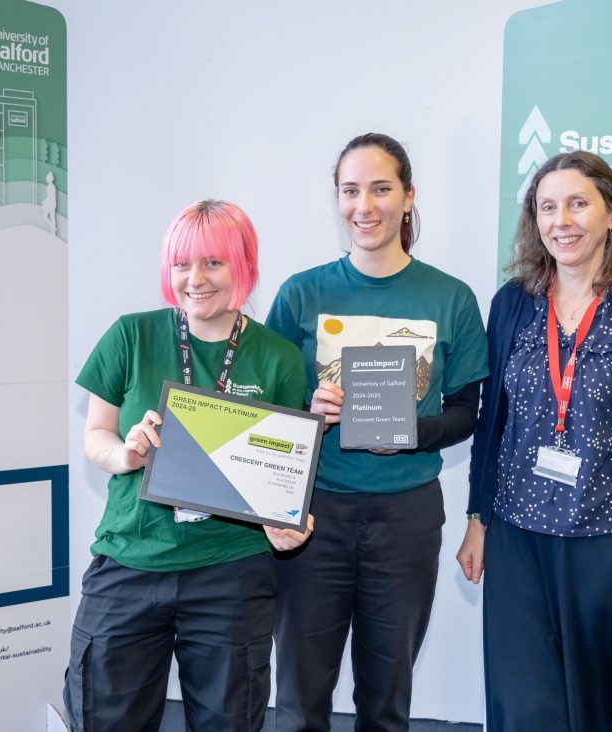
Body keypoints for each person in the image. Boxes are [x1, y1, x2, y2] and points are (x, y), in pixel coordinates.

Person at [458, 151, 612, 731]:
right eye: (547, 206)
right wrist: (478, 517)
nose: (562, 219)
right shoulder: (513, 303)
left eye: (578, 203)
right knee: (520, 710)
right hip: (514, 539)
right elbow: (493, 424)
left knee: (584, 714)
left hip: (602, 546)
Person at [63, 200, 314, 732]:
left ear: (242, 265)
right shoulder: (131, 335)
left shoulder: (278, 358)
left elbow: (284, 477)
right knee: (105, 719)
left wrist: (287, 525)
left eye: (213, 263)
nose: (195, 279)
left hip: (230, 574)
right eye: (182, 264)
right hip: (129, 563)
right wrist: (125, 453)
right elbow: (95, 437)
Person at [267, 132, 488, 731]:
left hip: (405, 519)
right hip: (314, 516)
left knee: (387, 699)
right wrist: (307, 406)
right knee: (299, 694)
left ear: (409, 197)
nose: (364, 205)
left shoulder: (451, 298)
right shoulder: (301, 293)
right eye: (350, 190)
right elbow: (264, 406)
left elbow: (470, 409)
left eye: (381, 189)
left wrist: (412, 432)